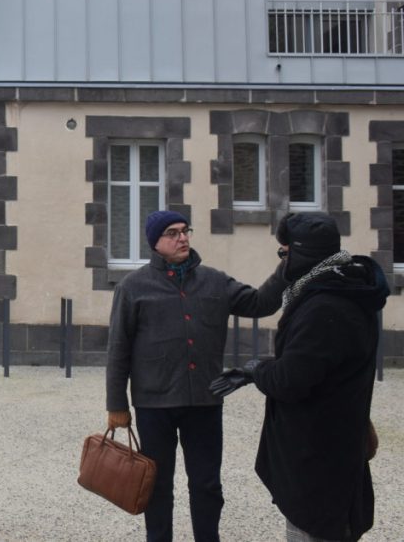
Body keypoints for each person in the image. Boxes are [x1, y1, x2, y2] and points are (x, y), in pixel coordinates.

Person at [106, 210, 288, 542]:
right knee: (156, 484)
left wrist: (287, 266)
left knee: (207, 485)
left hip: (205, 400)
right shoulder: (132, 287)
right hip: (154, 405)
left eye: (185, 230)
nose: (182, 238)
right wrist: (116, 404)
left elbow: (260, 303)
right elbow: (118, 348)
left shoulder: (215, 281)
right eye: (172, 233)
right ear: (155, 242)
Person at [210, 212, 388, 542]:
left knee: (314, 528)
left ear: (302, 254)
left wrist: (256, 369)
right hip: (333, 446)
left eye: (285, 252)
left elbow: (291, 380)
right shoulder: (343, 288)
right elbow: (311, 363)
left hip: (318, 458)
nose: (283, 260)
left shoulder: (324, 306)